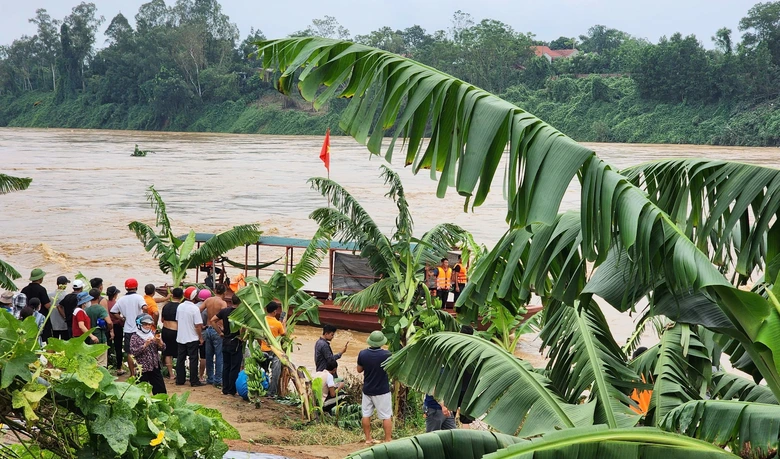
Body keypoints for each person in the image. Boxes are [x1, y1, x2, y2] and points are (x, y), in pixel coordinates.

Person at [357, 330, 393, 444]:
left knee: (366, 414)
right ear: (382, 342)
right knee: (386, 416)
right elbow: (392, 370)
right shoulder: (387, 355)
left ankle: (368, 439)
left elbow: (359, 370)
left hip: (367, 390)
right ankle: (388, 439)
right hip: (382, 391)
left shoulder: (362, 354)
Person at [110, 279, 147, 377]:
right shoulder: (139, 298)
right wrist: (144, 318)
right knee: (142, 350)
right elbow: (145, 308)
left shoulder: (121, 299)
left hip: (128, 330)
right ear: (136, 287)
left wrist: (122, 318)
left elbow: (113, 312)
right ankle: (142, 372)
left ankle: (132, 374)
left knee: (130, 353)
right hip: (139, 330)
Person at [213, 295, 243, 396]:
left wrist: (219, 332)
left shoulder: (225, 311)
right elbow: (242, 328)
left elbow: (212, 320)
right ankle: (232, 390)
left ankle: (224, 389)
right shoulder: (240, 313)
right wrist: (242, 336)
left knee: (226, 366)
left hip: (225, 341)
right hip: (236, 342)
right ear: (240, 302)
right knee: (234, 367)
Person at [130, 314, 167, 395]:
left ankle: (161, 406)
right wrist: (145, 345)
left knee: (160, 391)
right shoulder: (135, 337)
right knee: (140, 392)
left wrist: (159, 342)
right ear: (139, 325)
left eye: (149, 324)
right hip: (142, 369)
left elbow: (163, 348)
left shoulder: (154, 334)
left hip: (154, 366)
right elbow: (133, 352)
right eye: (145, 324)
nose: (147, 326)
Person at [176, 287, 205, 387]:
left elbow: (177, 320)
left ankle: (180, 379)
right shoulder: (194, 309)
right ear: (194, 297)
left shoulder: (180, 306)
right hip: (192, 337)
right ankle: (194, 381)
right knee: (193, 359)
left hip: (181, 337)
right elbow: (198, 325)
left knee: (180, 359)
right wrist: (200, 337)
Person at [202, 284, 227, 387]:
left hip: (208, 328)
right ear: (224, 292)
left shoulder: (208, 300)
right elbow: (225, 316)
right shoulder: (223, 303)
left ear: (215, 290)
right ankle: (218, 379)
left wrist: (201, 324)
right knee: (219, 356)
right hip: (218, 329)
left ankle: (210, 378)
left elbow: (198, 310)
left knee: (209, 355)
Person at [261, 302, 285, 397]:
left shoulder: (262, 321)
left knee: (263, 371)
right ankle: (271, 392)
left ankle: (261, 388)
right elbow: (284, 334)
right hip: (275, 350)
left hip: (264, 349)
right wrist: (284, 323)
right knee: (275, 372)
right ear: (275, 311)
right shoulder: (277, 323)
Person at [86, 288, 112, 367]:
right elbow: (109, 322)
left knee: (91, 361)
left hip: (89, 337)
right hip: (100, 338)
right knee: (101, 362)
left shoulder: (86, 309)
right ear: (99, 297)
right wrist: (109, 328)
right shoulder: (101, 309)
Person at [455, 325, 475, 429]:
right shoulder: (476, 349)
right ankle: (466, 439)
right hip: (469, 389)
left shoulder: (456, 349)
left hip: (455, 388)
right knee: (465, 419)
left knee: (450, 416)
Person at [160, 287, 183, 380]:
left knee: (167, 352)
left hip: (165, 330)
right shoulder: (181, 307)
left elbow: (162, 320)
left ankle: (171, 374)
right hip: (175, 331)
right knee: (179, 353)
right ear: (182, 296)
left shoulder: (166, 306)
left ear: (172, 295)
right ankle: (178, 373)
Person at [105, 286, 123, 373]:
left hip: (107, 326)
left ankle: (106, 366)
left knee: (107, 347)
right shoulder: (117, 304)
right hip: (117, 326)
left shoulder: (105, 303)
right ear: (115, 294)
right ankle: (119, 368)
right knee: (118, 348)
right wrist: (122, 320)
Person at [196, 289, 212, 383]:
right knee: (203, 357)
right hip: (204, 334)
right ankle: (201, 376)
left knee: (193, 356)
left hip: (194, 334)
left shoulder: (194, 307)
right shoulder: (207, 309)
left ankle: (193, 374)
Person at [47, 276, 71, 341]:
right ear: (65, 284)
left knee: (53, 345)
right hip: (64, 325)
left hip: (52, 324)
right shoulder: (67, 296)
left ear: (57, 283)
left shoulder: (49, 295)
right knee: (64, 345)